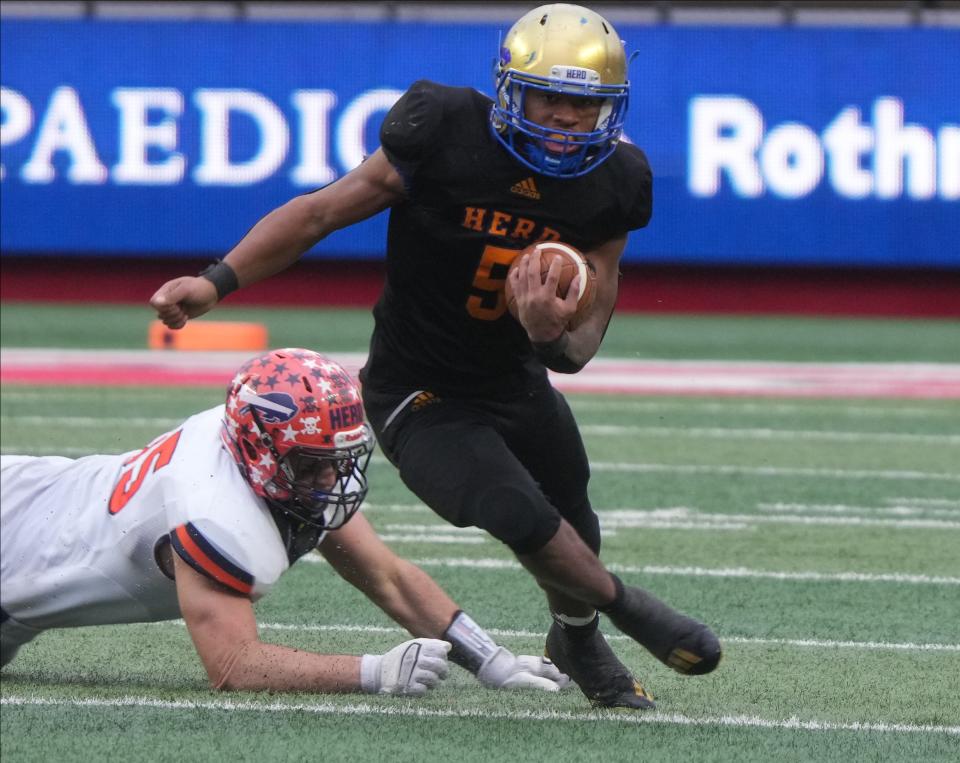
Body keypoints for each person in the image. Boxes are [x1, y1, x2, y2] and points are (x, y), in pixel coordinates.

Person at [149, 4, 721, 709]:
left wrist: (546, 331)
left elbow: (579, 348)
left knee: (572, 505)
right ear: (513, 88)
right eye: (552, 97)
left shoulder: (617, 181)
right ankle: (635, 611)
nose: (568, 118)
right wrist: (216, 280)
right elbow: (320, 212)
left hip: (514, 378)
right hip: (415, 390)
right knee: (515, 509)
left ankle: (576, 633)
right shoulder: (443, 130)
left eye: (584, 103)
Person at [1, 348, 569, 698]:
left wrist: (488, 658)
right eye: (313, 465)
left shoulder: (268, 456)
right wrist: (372, 672)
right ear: (262, 449)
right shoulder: (209, 510)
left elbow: (386, 575)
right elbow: (233, 666)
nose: (329, 480)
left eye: (336, 461)